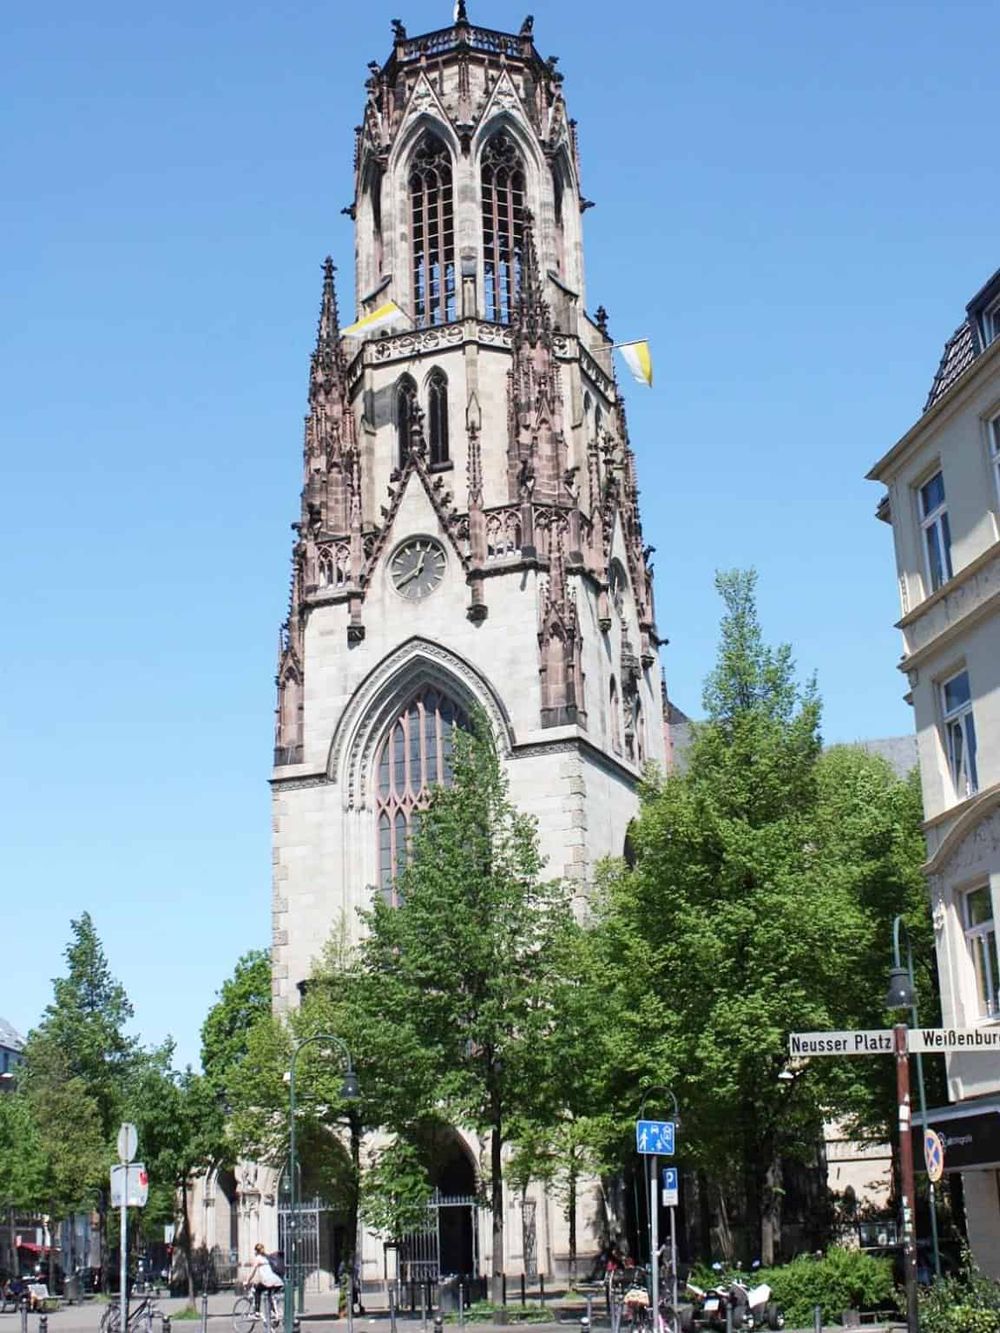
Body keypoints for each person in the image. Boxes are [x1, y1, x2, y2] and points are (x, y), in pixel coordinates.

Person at [246, 1244, 283, 1320]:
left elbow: (252, 1273)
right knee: (270, 1294)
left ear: (256, 1251)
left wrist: (247, 1281)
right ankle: (273, 1311)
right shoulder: (267, 1257)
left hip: (269, 1281)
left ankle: (256, 1312)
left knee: (257, 1291)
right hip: (278, 1281)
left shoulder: (258, 1259)